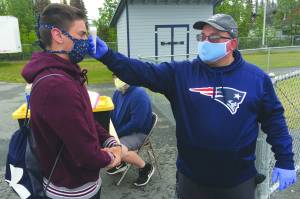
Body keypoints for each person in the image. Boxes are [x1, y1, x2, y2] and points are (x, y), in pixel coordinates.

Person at [88, 13, 297, 198]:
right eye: (202, 37)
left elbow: (274, 121)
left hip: (238, 182)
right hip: (192, 180)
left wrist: (285, 160)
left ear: (232, 44)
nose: (205, 42)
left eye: (213, 37)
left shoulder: (256, 79)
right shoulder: (181, 74)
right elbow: (142, 71)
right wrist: (108, 56)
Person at [21, 4, 121, 199]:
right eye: (82, 34)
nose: (87, 41)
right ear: (58, 36)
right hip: (72, 190)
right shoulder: (57, 86)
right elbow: (85, 155)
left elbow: (85, 119)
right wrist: (114, 155)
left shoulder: (68, 74)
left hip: (78, 185)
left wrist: (108, 139)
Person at [107, 74, 155, 186]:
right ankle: (122, 163)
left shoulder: (139, 94)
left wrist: (117, 134)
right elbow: (112, 113)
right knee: (107, 142)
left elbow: (137, 124)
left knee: (118, 149)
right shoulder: (118, 92)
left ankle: (145, 167)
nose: (116, 78)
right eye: (114, 75)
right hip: (124, 131)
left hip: (139, 133)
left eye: (119, 75)